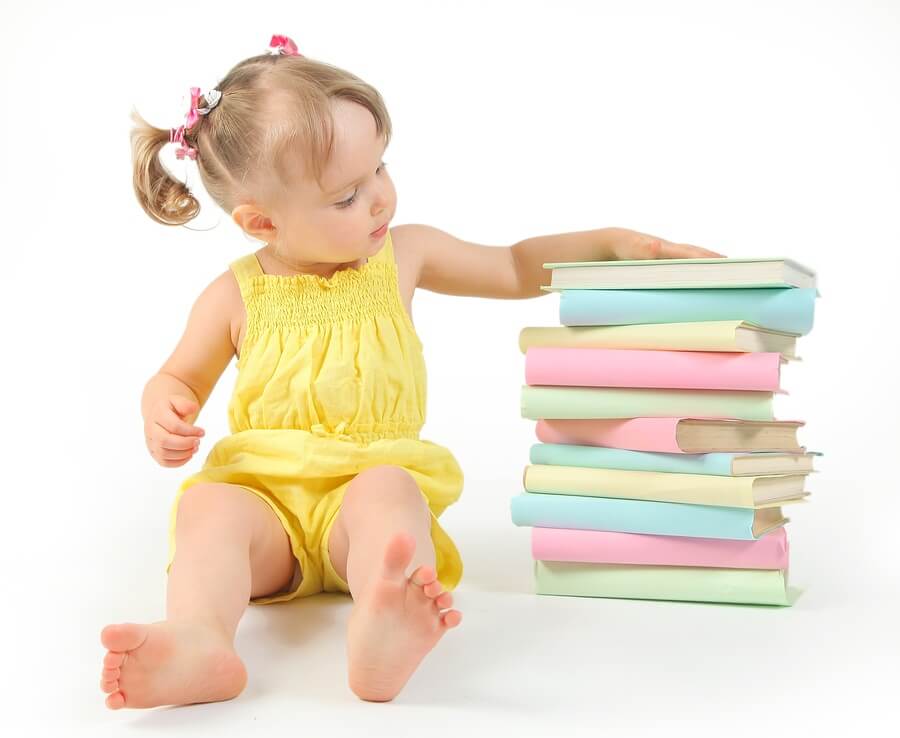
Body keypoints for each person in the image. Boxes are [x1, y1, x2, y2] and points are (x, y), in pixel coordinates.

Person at [100, 33, 722, 709]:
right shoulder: (233, 295)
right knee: (208, 507)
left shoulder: (403, 256)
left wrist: (609, 246)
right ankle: (200, 639)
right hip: (267, 518)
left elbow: (513, 266)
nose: (378, 200)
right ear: (261, 222)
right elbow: (180, 379)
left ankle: (383, 618)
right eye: (345, 196)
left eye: (380, 170)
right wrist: (162, 404)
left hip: (359, 507)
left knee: (389, 494)